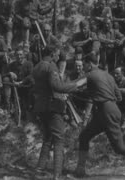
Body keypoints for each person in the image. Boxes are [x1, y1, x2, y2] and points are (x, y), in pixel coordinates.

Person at [74, 54, 125, 178]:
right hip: (101, 114)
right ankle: (80, 170)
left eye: (85, 64)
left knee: (119, 148)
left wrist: (106, 98)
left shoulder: (101, 76)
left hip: (108, 113)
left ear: (89, 64)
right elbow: (117, 96)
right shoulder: (106, 76)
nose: (116, 75)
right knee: (84, 136)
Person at [33, 46, 87, 180]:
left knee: (47, 138)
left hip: (40, 106)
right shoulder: (51, 67)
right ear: (52, 54)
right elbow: (57, 86)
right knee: (59, 139)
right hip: (52, 107)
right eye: (57, 55)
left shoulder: (37, 66)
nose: (58, 58)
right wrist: (76, 85)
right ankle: (57, 175)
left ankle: (39, 169)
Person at [2, 47, 34, 118]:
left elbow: (31, 75)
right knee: (6, 80)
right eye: (17, 55)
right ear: (15, 56)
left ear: (24, 55)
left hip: (25, 87)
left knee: (32, 82)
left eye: (20, 54)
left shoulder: (29, 64)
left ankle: (29, 107)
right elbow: (2, 75)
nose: (19, 57)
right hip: (15, 87)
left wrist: (21, 82)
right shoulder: (12, 65)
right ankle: (8, 106)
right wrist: (9, 73)